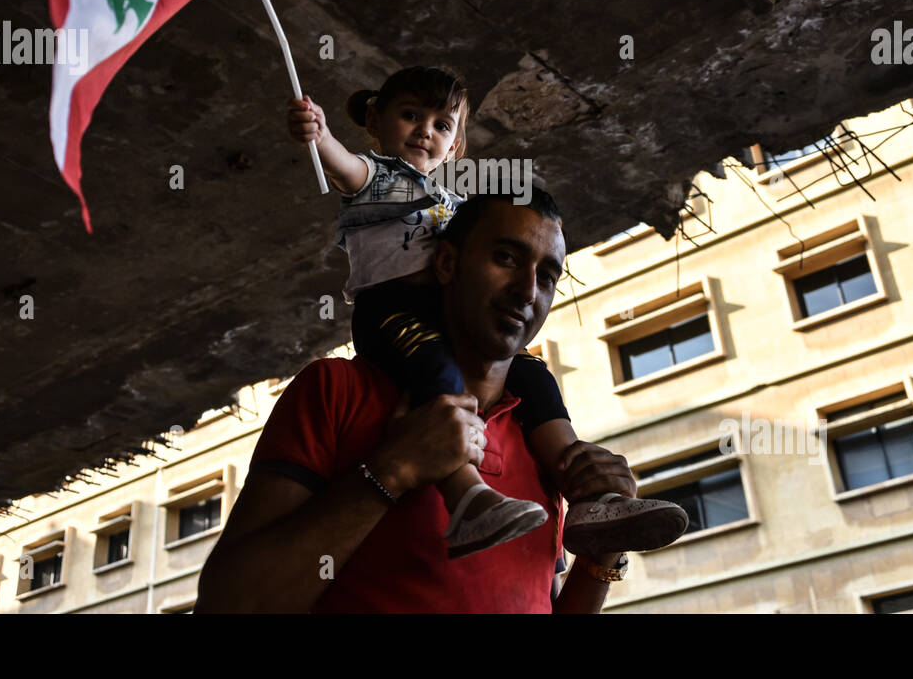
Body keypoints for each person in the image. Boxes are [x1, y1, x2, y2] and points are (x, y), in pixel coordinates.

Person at [282, 66, 686, 558]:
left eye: (441, 124)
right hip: (390, 313)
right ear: (376, 120)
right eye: (410, 115)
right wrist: (319, 135)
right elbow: (344, 166)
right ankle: (466, 497)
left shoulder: (453, 205)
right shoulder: (379, 178)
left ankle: (588, 499)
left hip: (437, 318)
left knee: (533, 374)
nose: (424, 131)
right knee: (435, 366)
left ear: (454, 145)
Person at [196, 191, 649, 611]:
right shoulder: (338, 390)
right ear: (448, 263)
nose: (528, 290)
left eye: (547, 277)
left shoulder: (542, 447)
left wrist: (603, 551)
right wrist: (393, 469)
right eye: (507, 258)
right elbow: (227, 603)